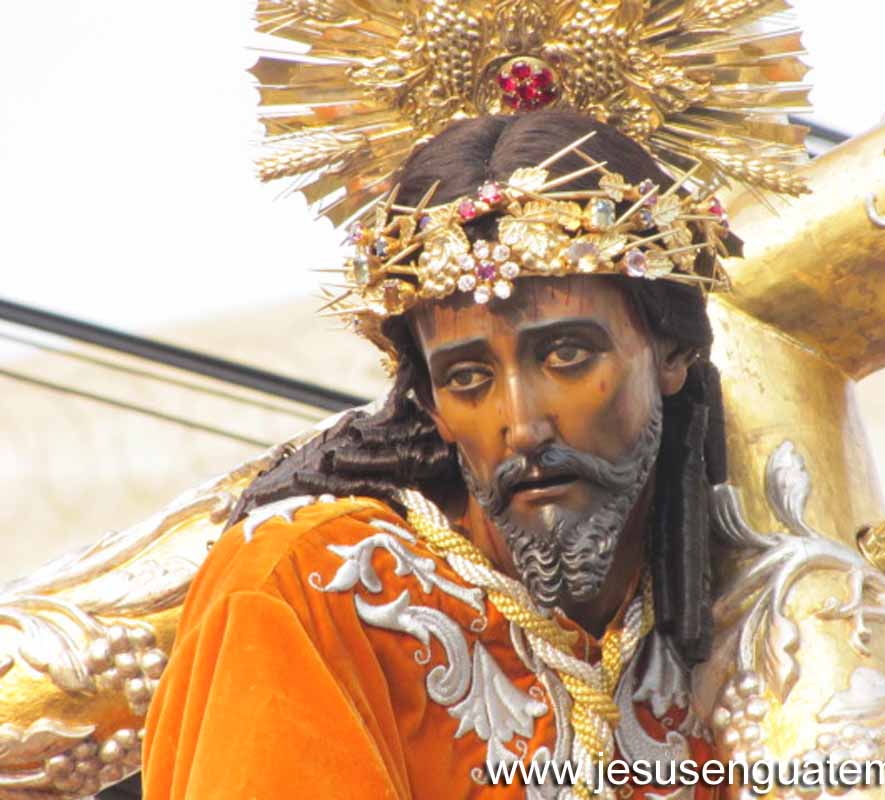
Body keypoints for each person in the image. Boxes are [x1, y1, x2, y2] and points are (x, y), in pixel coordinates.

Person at [142, 111, 735, 799]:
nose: (522, 427)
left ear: (672, 354)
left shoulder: (749, 588)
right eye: (468, 377)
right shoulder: (308, 587)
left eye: (567, 355)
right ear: (430, 406)